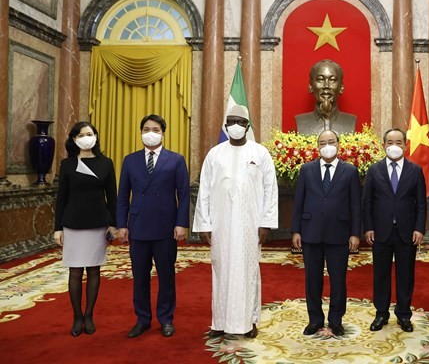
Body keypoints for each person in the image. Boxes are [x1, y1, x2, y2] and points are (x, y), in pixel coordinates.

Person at [193, 104, 278, 339]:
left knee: (248, 271)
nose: (236, 126)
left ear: (248, 126)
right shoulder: (215, 154)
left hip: (250, 225)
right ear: (225, 126)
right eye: (231, 122)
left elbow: (270, 190)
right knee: (221, 270)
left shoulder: (260, 153)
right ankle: (219, 322)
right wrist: (204, 224)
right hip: (221, 225)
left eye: (240, 123)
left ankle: (249, 322)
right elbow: (205, 191)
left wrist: (266, 222)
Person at [117, 114, 190, 338]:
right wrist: (121, 224)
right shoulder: (130, 160)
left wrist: (181, 223)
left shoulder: (176, 159)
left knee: (166, 275)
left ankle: (166, 319)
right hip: (138, 226)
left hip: (166, 227)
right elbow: (122, 196)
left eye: (155, 129)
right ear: (140, 132)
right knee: (140, 276)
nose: (150, 132)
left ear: (163, 133)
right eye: (146, 128)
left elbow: (184, 194)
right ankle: (142, 319)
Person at [291, 130, 361, 337]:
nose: (327, 145)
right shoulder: (306, 169)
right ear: (317, 146)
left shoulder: (350, 171)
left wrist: (355, 233)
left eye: (331, 141)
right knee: (312, 279)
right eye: (323, 142)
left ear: (339, 144)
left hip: (339, 233)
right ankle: (315, 319)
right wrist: (296, 230)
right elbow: (299, 202)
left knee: (338, 280)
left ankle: (336, 320)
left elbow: (356, 205)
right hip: (310, 232)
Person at [54, 121, 117, 337]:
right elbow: (61, 198)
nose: (86, 137)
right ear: (74, 139)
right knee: (75, 270)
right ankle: (77, 316)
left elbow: (113, 197)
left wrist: (114, 224)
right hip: (72, 223)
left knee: (93, 270)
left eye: (90, 133)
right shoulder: (67, 164)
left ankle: (89, 315)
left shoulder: (106, 163)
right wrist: (58, 228)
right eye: (81, 134)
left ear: (96, 137)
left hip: (97, 222)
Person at [362, 128, 426, 333]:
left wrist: (419, 228)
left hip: (407, 232)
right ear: (383, 145)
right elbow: (367, 203)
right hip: (380, 231)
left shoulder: (415, 170)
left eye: (398, 142)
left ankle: (404, 314)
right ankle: (381, 313)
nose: (394, 146)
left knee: (406, 275)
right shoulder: (374, 170)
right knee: (380, 275)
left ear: (405, 145)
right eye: (390, 142)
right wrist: (368, 227)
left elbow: (421, 204)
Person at [295, 59, 357, 134]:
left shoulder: (350, 121)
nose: (326, 86)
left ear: (341, 87)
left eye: (332, 80)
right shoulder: (301, 121)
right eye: (320, 79)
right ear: (311, 86)